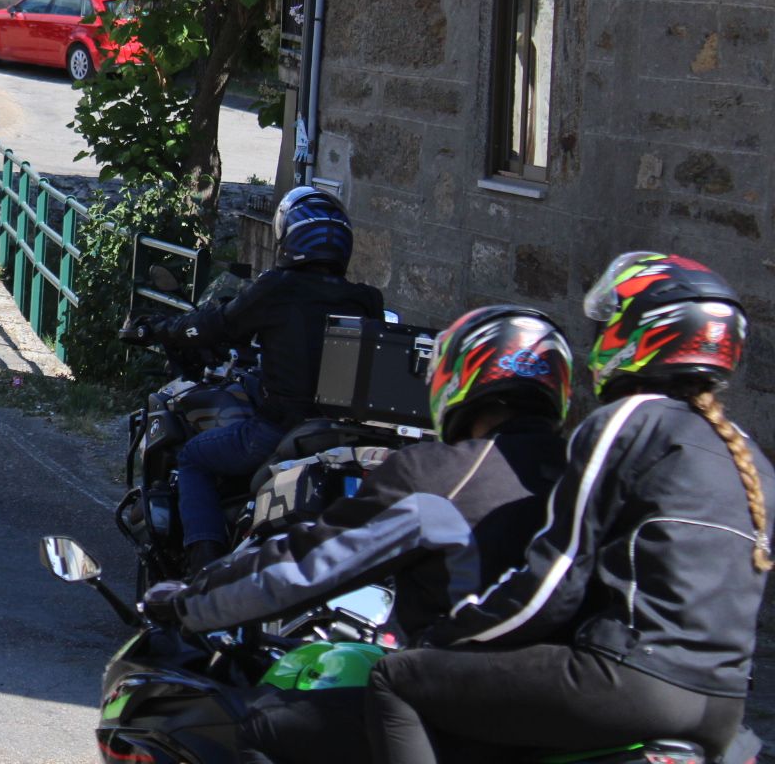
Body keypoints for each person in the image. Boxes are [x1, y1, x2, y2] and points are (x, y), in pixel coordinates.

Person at [366, 253, 773, 764]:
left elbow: (553, 582)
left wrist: (442, 638)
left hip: (628, 681)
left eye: (608, 324)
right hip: (723, 707)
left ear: (640, 332)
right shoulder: (747, 453)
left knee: (397, 680)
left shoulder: (628, 421)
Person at [139, 306, 573, 764]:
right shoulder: (588, 477)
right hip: (564, 715)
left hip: (457, 713)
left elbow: (307, 565)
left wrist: (191, 602)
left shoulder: (441, 474)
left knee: (247, 726)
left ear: (460, 376)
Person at [124, 185, 385, 571]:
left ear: (289, 236)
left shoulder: (279, 288)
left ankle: (203, 565)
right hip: (342, 432)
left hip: (280, 429)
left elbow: (216, 324)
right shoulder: (365, 299)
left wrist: (160, 328)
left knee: (194, 458)